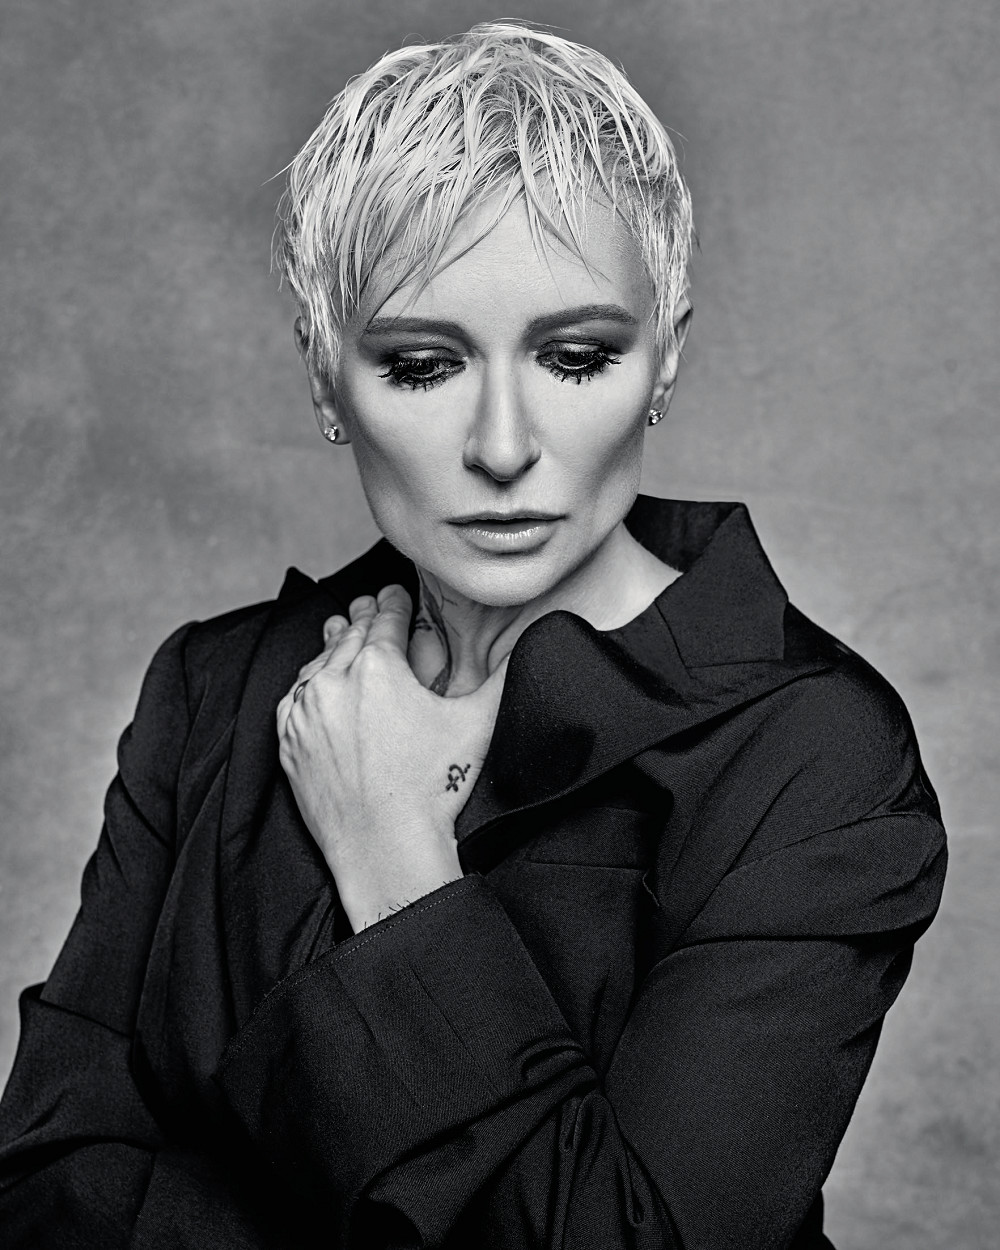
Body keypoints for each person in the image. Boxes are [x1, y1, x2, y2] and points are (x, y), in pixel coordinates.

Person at [0, 21, 946, 1250]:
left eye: (575, 356)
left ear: (665, 356)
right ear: (324, 375)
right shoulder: (211, 689)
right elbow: (42, 1186)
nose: (502, 446)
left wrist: (394, 859)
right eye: (420, 365)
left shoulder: (812, 757)